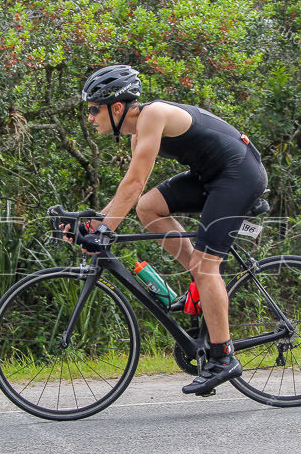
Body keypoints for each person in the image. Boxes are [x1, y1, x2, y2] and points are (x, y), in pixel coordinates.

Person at [77, 64, 268, 395]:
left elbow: (135, 182)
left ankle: (223, 357)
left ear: (117, 107)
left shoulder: (153, 115)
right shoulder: (138, 132)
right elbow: (131, 191)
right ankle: (200, 286)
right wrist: (94, 223)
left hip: (239, 176)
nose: (90, 117)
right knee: (149, 207)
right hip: (211, 177)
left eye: (94, 109)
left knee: (206, 267)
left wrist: (104, 230)